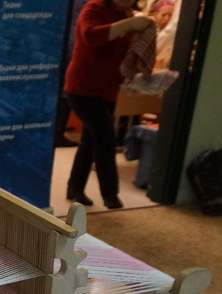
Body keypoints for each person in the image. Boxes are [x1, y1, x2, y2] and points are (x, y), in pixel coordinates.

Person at [63, 0, 155, 209]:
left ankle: (75, 188)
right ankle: (110, 195)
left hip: (107, 90)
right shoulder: (94, 7)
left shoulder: (127, 14)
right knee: (105, 138)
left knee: (90, 140)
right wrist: (129, 25)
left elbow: (124, 54)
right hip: (82, 87)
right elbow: (91, 36)